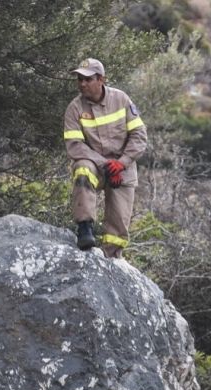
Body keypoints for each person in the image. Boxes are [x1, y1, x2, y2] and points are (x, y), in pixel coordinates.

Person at [63, 57, 148, 259]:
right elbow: (74, 146)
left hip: (123, 169)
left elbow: (139, 136)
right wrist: (105, 164)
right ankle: (84, 229)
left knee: (118, 230)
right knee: (82, 168)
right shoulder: (74, 108)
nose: (82, 84)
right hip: (95, 166)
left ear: (101, 79)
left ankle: (111, 258)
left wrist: (122, 163)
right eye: (79, 79)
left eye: (87, 79)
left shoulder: (121, 99)